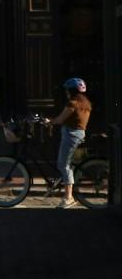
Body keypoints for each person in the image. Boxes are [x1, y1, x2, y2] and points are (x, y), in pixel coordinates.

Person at [53, 78, 94, 207]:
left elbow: (60, 119)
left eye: (67, 90)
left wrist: (49, 121)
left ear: (71, 90)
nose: (66, 93)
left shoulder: (73, 103)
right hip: (78, 134)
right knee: (67, 164)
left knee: (63, 164)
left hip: (71, 135)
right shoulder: (86, 103)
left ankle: (68, 197)